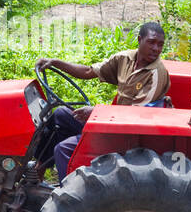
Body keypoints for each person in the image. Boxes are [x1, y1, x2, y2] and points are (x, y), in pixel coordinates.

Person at [33, 22, 170, 181]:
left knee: (63, 149)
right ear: (140, 40)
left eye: (160, 44)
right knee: (60, 115)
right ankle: (38, 171)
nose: (156, 49)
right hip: (113, 123)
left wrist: (96, 112)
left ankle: (69, 200)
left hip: (128, 134)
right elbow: (88, 71)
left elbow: (136, 115)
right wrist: (56, 62)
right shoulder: (125, 59)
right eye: (151, 42)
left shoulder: (157, 74)